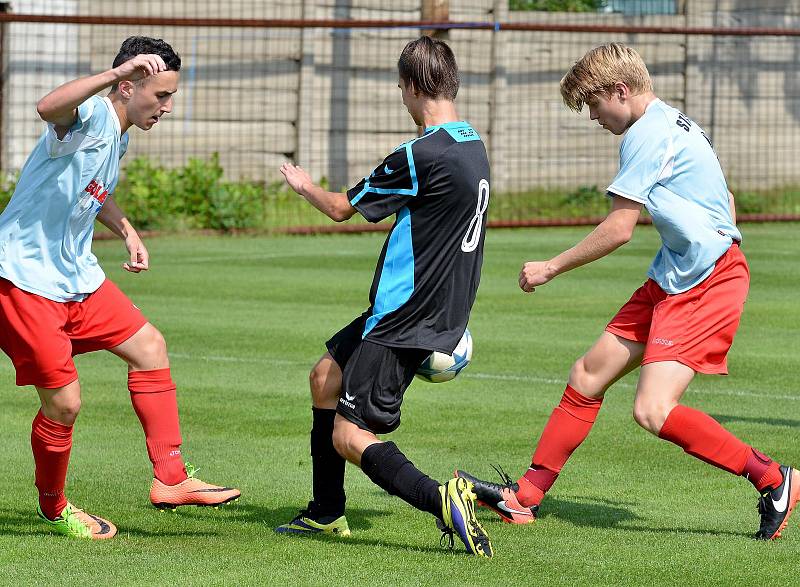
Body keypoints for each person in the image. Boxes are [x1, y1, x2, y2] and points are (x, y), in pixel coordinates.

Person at [457, 43, 797, 540]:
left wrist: (551, 266)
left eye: (595, 105)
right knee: (588, 374)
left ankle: (773, 479)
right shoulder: (675, 122)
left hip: (707, 280)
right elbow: (722, 197)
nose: (594, 117)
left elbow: (619, 229)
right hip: (677, 274)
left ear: (621, 90)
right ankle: (524, 498)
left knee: (652, 410)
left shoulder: (645, 134)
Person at [0, 36, 240, 540]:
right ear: (128, 86)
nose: (168, 107)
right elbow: (46, 107)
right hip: (23, 279)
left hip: (74, 277)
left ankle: (171, 480)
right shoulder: (88, 115)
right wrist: (113, 74)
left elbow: (95, 192)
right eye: (161, 96)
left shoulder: (120, 132)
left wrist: (127, 229)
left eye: (171, 96)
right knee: (63, 404)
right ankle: (55, 507)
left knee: (150, 346)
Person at [276, 36, 493, 557]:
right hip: (434, 308)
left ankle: (442, 498)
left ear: (415, 87)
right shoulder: (471, 143)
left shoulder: (419, 155)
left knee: (350, 437)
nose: (400, 96)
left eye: (401, 87)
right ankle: (326, 513)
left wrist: (303, 184)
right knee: (325, 376)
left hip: (402, 314)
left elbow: (340, 208)